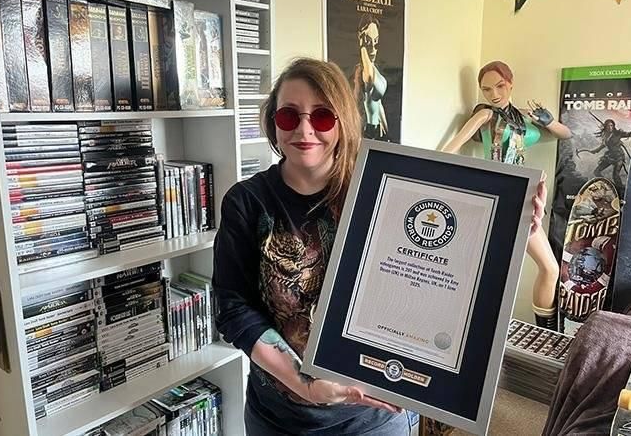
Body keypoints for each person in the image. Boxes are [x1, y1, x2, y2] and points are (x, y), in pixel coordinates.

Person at [212, 58, 549, 435]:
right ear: (273, 121)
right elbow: (233, 309)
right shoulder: (247, 201)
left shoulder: (387, 189)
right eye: (289, 115)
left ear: (343, 121)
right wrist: (303, 384)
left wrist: (512, 222)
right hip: (277, 417)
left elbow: (445, 259)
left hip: (373, 415)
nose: (305, 129)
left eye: (322, 116)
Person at [441, 60, 570, 330]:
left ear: (511, 84)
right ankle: (478, 331)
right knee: (491, 273)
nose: (494, 94)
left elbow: (565, 134)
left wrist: (549, 121)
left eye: (500, 86)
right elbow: (448, 151)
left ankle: (543, 334)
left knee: (550, 269)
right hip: (499, 194)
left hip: (526, 196)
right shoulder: (485, 116)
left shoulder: (524, 116)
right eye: (487, 89)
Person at [352, 14, 388, 141]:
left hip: (378, 129)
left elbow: (378, 103)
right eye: (368, 41)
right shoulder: (363, 70)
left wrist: (386, 129)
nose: (373, 48)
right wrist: (362, 47)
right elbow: (369, 78)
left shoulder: (374, 69)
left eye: (375, 41)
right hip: (369, 131)